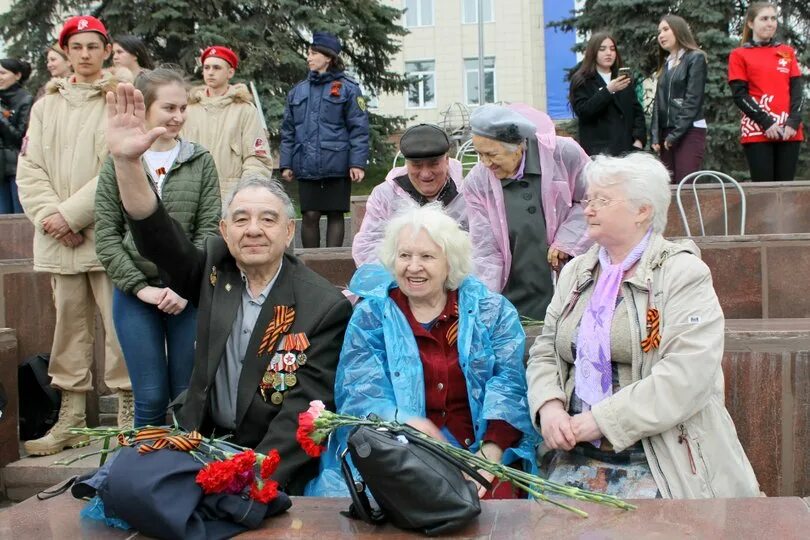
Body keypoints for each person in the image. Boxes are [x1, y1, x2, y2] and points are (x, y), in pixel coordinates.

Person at [105, 82, 353, 494]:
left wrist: (249, 475)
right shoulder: (216, 267)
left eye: (268, 220)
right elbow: (159, 241)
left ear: (290, 231)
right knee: (122, 486)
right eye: (240, 219)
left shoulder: (322, 306)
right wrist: (127, 164)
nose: (253, 230)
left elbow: (301, 414)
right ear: (223, 230)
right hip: (203, 443)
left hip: (267, 461)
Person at [526, 152, 760, 499]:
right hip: (574, 450)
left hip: (658, 456)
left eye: (602, 201)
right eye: (589, 199)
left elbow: (687, 375)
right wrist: (548, 406)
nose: (587, 209)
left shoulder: (682, 274)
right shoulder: (577, 273)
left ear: (642, 211)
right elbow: (546, 349)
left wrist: (602, 421)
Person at [307, 204, 538, 497]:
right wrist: (404, 421)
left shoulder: (491, 312)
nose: (413, 267)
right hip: (397, 452)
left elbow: (508, 384)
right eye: (404, 256)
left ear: (450, 263)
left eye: (427, 256)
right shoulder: (372, 316)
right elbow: (361, 392)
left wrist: (489, 457)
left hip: (482, 450)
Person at [16, 15, 132, 456]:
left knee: (120, 325)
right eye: (76, 47)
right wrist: (50, 216)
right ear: (65, 52)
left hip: (104, 233)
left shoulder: (119, 99)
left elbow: (118, 165)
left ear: (106, 51)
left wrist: (72, 215)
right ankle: (71, 418)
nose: (84, 55)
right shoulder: (45, 106)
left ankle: (127, 411)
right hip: (57, 238)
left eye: (92, 46)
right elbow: (30, 168)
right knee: (69, 327)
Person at [95, 68, 221, 427]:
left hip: (187, 295)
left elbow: (209, 230)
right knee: (149, 397)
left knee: (185, 394)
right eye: (168, 108)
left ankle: (184, 474)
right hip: (136, 294)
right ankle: (144, 477)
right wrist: (141, 288)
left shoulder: (200, 160)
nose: (178, 116)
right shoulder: (118, 162)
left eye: (183, 107)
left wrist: (184, 286)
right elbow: (106, 236)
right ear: (144, 108)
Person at [464, 103, 591, 322]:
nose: (484, 163)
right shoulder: (477, 182)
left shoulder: (562, 154)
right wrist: (486, 305)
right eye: (479, 154)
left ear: (518, 146)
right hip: (514, 291)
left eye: (491, 154)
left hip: (568, 286)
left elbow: (593, 200)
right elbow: (484, 250)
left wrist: (568, 239)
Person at [280, 31, 370, 248]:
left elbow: (359, 128)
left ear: (328, 57)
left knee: (335, 214)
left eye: (313, 53)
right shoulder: (298, 92)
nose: (308, 58)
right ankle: (311, 266)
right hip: (306, 164)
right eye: (308, 53)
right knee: (310, 214)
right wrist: (287, 163)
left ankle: (332, 265)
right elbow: (288, 130)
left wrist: (356, 163)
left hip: (336, 163)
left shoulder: (349, 89)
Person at [352, 123, 466, 267]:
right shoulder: (385, 195)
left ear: (447, 161)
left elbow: (480, 248)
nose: (425, 174)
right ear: (406, 164)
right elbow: (368, 246)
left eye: (433, 164)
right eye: (417, 165)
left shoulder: (466, 195)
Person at [183, 45, 272, 201]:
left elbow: (257, 158)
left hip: (230, 195)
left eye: (217, 67)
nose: (210, 72)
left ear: (230, 72)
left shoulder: (245, 110)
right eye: (206, 67)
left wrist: (245, 193)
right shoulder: (188, 109)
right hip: (191, 194)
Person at [729, 2, 804, 182]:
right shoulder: (739, 55)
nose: (770, 23)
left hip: (789, 131)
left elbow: (797, 91)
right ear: (750, 23)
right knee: (764, 193)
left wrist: (793, 122)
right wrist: (766, 122)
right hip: (758, 131)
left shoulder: (787, 52)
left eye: (773, 18)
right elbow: (739, 95)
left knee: (785, 192)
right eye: (764, 19)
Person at [650, 15, 708, 184]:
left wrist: (675, 135)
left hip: (689, 130)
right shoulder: (666, 64)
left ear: (679, 30)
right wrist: (655, 135)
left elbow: (692, 100)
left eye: (666, 29)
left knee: (685, 185)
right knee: (668, 186)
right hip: (666, 133)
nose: (661, 35)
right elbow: (658, 102)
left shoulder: (695, 57)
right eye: (659, 31)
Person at [569, 32, 646, 156]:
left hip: (627, 150)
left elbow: (637, 111)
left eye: (612, 49)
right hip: (599, 152)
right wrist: (608, 91)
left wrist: (638, 140)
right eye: (602, 49)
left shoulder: (623, 79)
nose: (609, 53)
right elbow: (584, 111)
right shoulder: (582, 80)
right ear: (593, 52)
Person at [0, 58, 32, 214]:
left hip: (16, 168)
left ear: (17, 75)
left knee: (18, 218)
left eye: (2, 73)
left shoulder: (26, 99)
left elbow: (20, 138)